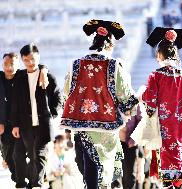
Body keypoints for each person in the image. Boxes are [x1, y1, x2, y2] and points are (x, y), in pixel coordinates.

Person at [61, 19, 139, 189]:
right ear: (110, 45)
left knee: (88, 165)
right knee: (104, 164)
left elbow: (66, 93)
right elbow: (126, 97)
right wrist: (131, 107)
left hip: (82, 125)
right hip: (107, 124)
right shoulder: (115, 65)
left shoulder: (76, 64)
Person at [142, 27, 182, 189]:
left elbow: (150, 100)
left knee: (164, 158)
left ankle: (168, 185)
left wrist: (148, 108)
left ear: (160, 54)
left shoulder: (156, 75)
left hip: (163, 126)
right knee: (179, 154)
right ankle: (180, 184)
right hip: (181, 126)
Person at [11, 44, 61, 189]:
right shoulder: (20, 78)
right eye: (26, 60)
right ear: (22, 60)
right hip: (26, 124)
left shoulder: (48, 77)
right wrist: (15, 124)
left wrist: (52, 113)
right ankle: (33, 183)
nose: (30, 63)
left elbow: (59, 97)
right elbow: (15, 103)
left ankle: (36, 185)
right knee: (32, 156)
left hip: (43, 123)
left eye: (32, 59)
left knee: (39, 154)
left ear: (38, 56)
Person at [0, 52, 49, 188]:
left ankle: (32, 178)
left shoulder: (22, 75)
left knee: (22, 154)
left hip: (22, 124)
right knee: (9, 158)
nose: (9, 67)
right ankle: (21, 178)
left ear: (18, 64)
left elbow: (39, 67)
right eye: (6, 64)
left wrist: (44, 70)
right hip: (4, 126)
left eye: (12, 64)